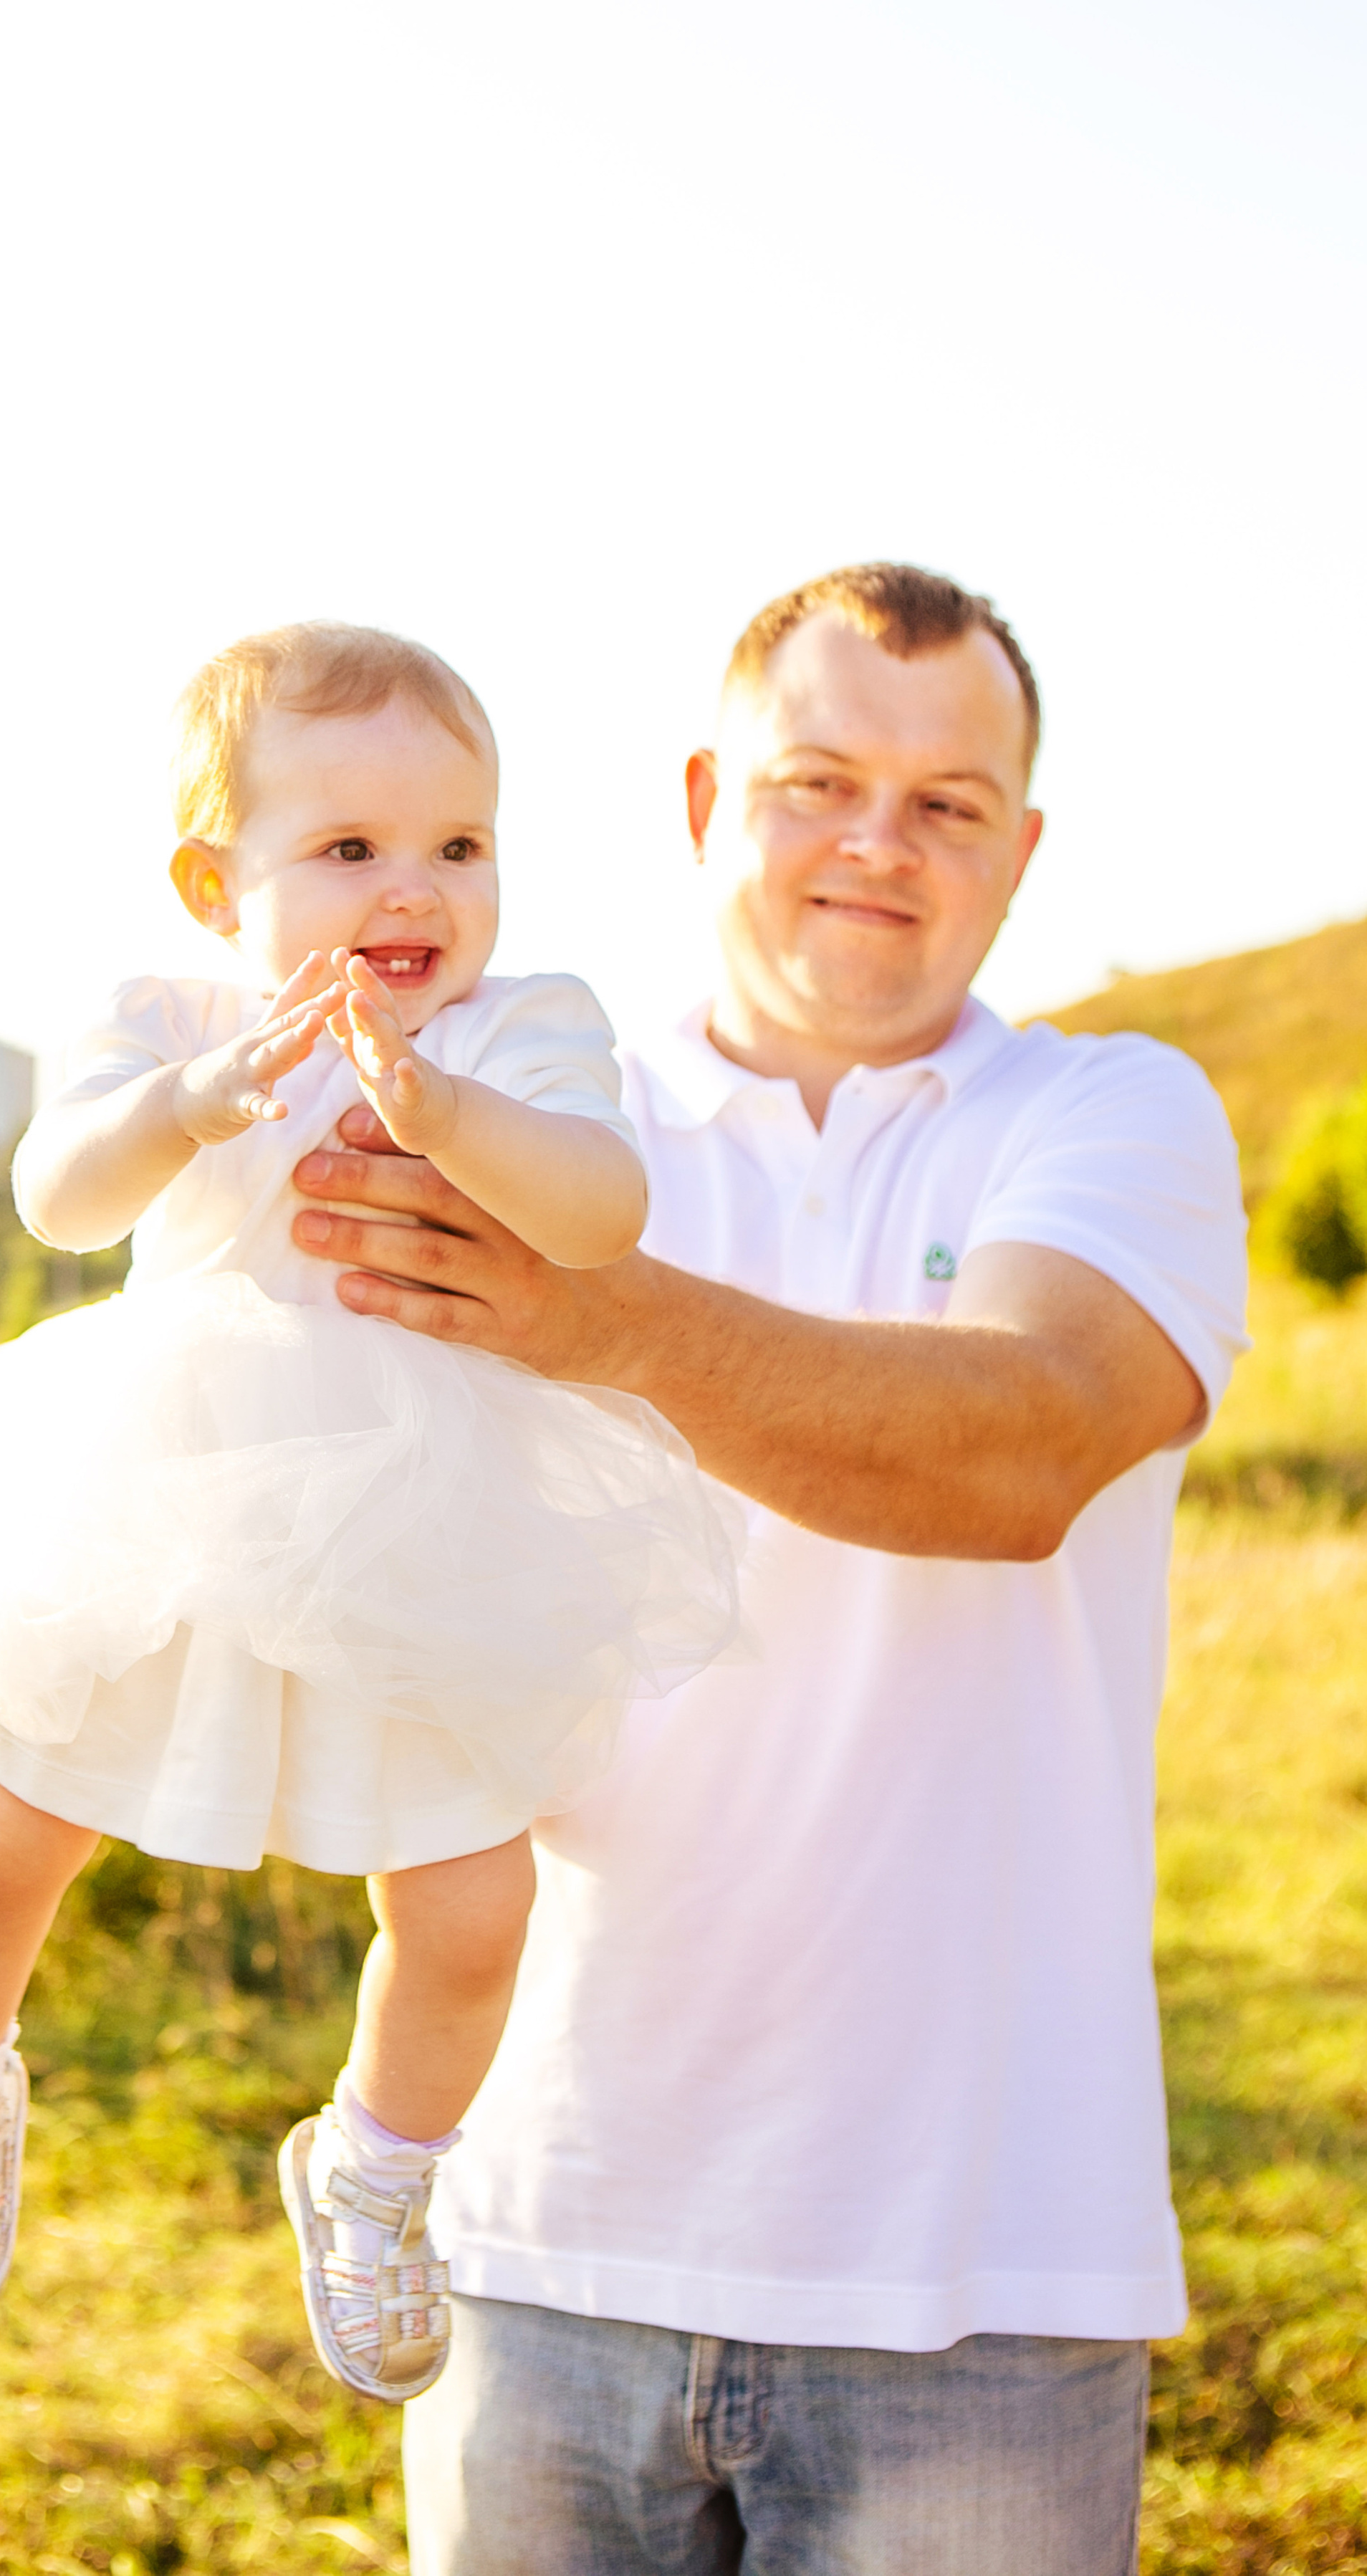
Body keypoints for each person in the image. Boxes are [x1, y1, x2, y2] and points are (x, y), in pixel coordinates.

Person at [284, 566, 1250, 2572]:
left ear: (1021, 849)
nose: (877, 843)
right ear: (705, 797)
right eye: (817, 781)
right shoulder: (521, 1113)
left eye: (946, 803)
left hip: (979, 2267)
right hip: (539, 2219)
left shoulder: (1109, 1112)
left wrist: (602, 1318)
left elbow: (1021, 1449)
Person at [0, 622, 740, 2398]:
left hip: (426, 1512)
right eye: (349, 847)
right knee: (4, 1827)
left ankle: (376, 2168)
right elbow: (60, 1198)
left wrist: (448, 1112)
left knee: (470, 1900)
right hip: (169, 1491)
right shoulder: (168, 1020)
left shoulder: (516, 1029)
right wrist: (186, 1103)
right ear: (212, 884)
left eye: (460, 845)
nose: (416, 888)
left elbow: (597, 1209)